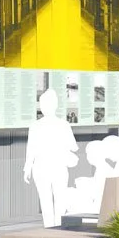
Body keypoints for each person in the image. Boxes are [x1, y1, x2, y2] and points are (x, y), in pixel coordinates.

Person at [24, 85, 78, 225]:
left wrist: (27, 168)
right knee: (59, 198)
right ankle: (57, 228)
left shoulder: (35, 126)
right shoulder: (63, 125)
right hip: (57, 167)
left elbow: (31, 150)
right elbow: (73, 146)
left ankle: (49, 228)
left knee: (46, 200)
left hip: (41, 167)